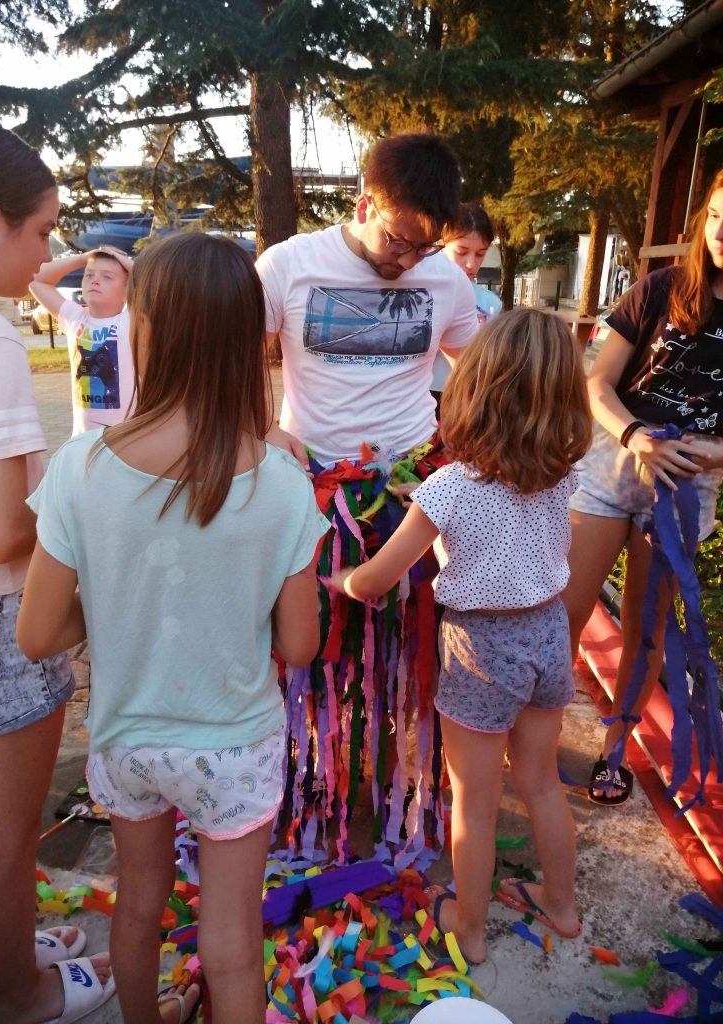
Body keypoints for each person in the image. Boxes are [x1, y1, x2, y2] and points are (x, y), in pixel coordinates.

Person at [17, 232, 329, 1024]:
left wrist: (116, 601)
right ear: (249, 345)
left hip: (126, 740)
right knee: (232, 941)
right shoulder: (284, 482)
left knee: (137, 907)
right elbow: (300, 645)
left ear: (143, 330)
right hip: (235, 746)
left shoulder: (81, 467)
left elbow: (37, 634)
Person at [330, 308, 590, 964]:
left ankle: (469, 928)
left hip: (481, 648)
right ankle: (562, 906)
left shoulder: (449, 489)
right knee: (540, 782)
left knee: (475, 798)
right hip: (548, 631)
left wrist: (342, 580)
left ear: (475, 390)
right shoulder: (562, 473)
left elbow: (378, 579)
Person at [256, 133, 478, 857]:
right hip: (315, 493)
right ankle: (313, 784)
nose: (408, 260)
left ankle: (388, 782)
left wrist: (470, 442)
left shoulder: (446, 279)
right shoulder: (288, 264)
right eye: (397, 240)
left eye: (425, 247)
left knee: (404, 650)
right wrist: (265, 429)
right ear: (363, 204)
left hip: (411, 492)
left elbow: (480, 368)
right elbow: (232, 357)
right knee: (313, 648)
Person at [0, 118, 114, 1024]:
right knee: (6, 837)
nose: (48, 253)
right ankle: (18, 994)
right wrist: (76, 512)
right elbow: (3, 530)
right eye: (42, 231)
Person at [563, 169, 723, 805]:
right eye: (716, 216)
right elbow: (597, 381)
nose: (721, 233)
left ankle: (613, 751)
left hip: (687, 482)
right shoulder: (661, 288)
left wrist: (717, 453)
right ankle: (534, 727)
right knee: (565, 607)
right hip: (615, 458)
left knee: (645, 625)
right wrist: (635, 435)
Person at [30, 246, 134, 435]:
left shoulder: (132, 320)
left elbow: (161, 285)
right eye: (89, 275)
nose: (95, 280)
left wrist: (127, 263)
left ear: (127, 290)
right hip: (82, 440)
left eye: (107, 277)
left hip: (124, 440)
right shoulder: (75, 318)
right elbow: (36, 278)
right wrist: (82, 258)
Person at [432, 202, 502, 409]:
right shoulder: (416, 294)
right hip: (420, 395)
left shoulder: (491, 303)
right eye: (461, 252)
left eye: (480, 254)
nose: (471, 263)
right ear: (439, 244)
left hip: (466, 398)